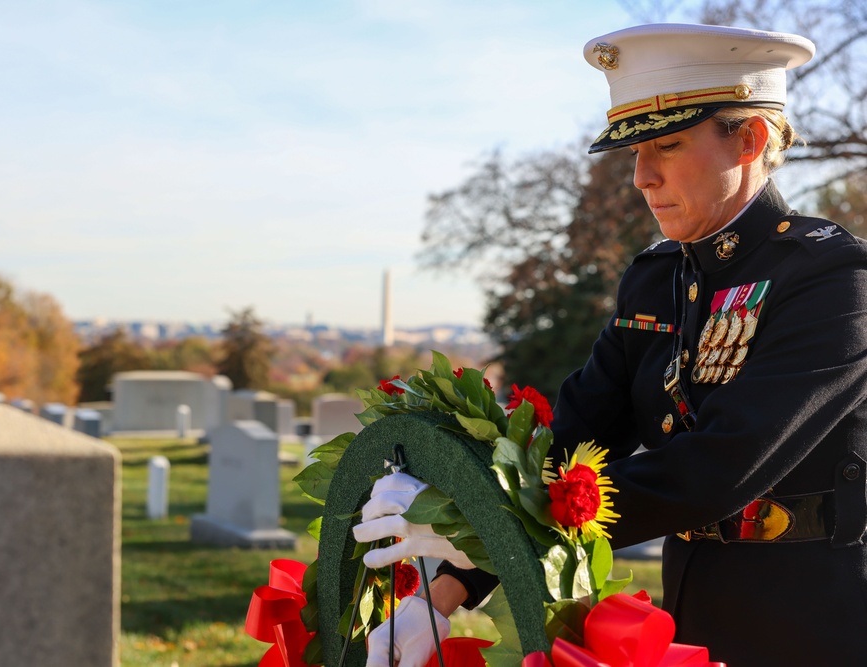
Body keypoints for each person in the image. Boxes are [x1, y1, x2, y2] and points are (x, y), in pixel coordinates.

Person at [353, 22, 867, 667]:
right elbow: (576, 443)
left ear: (751, 140)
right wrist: (446, 593)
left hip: (821, 622)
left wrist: (485, 512)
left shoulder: (832, 279)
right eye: (633, 154)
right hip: (691, 607)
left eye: (668, 146)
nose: (641, 178)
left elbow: (718, 467)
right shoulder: (657, 278)